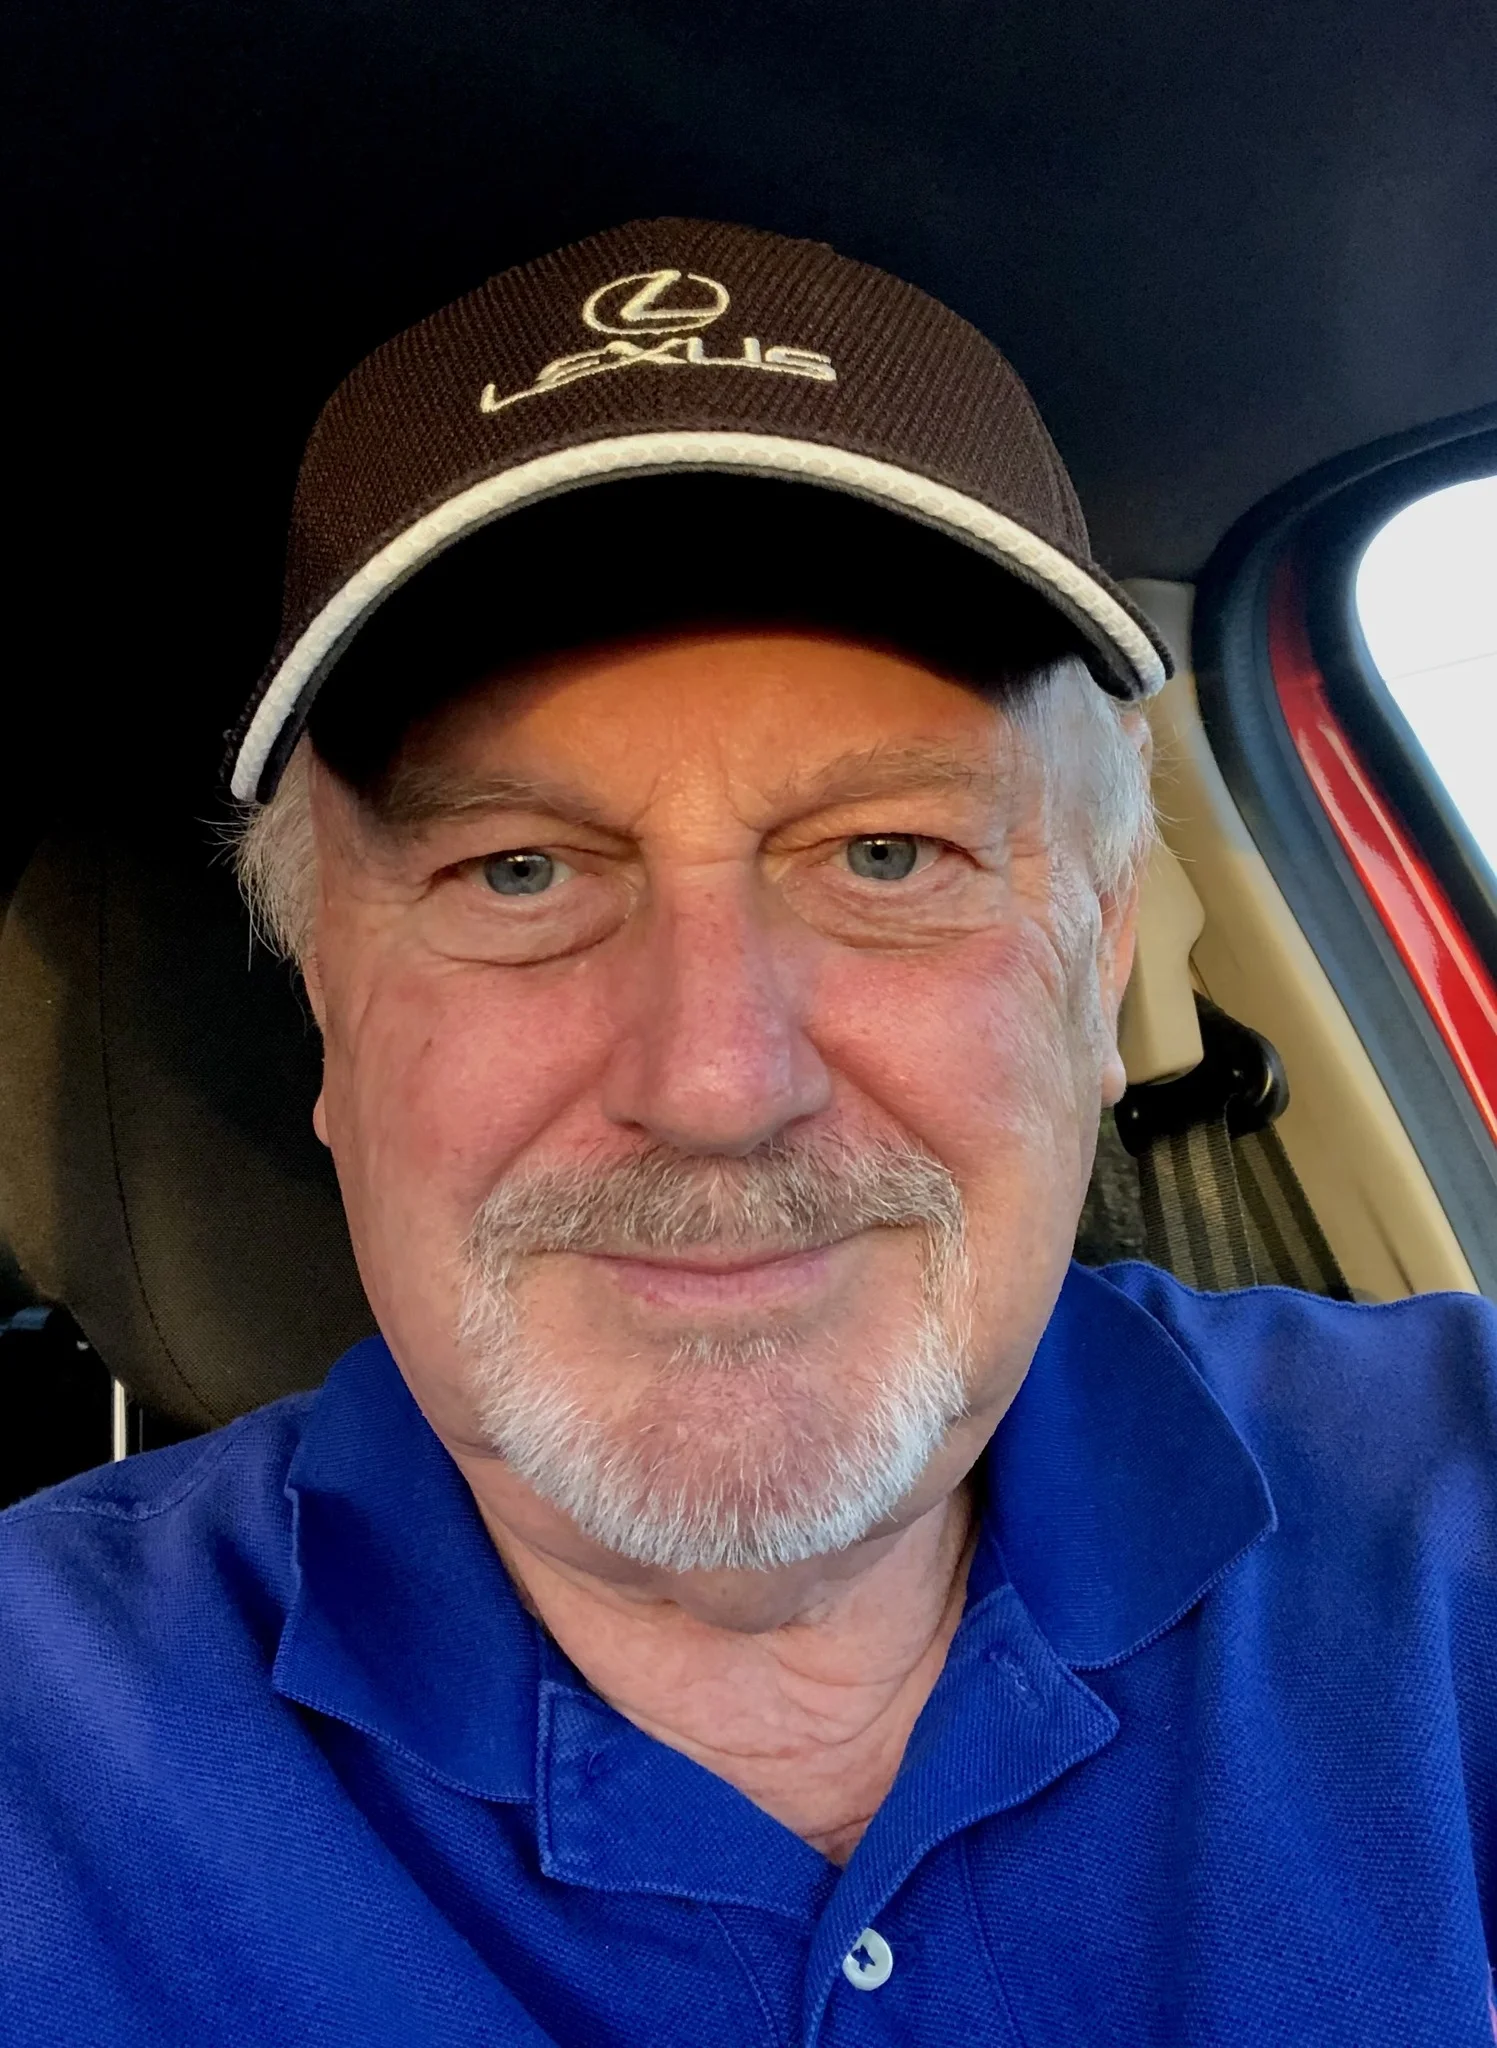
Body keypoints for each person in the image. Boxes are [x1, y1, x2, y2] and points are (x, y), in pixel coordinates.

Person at [2, 217, 1494, 2047]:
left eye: (885, 855)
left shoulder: (1460, 1516)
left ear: (1099, 959)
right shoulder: (41, 1761)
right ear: (330, 1011)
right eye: (519, 870)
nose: (716, 1081)